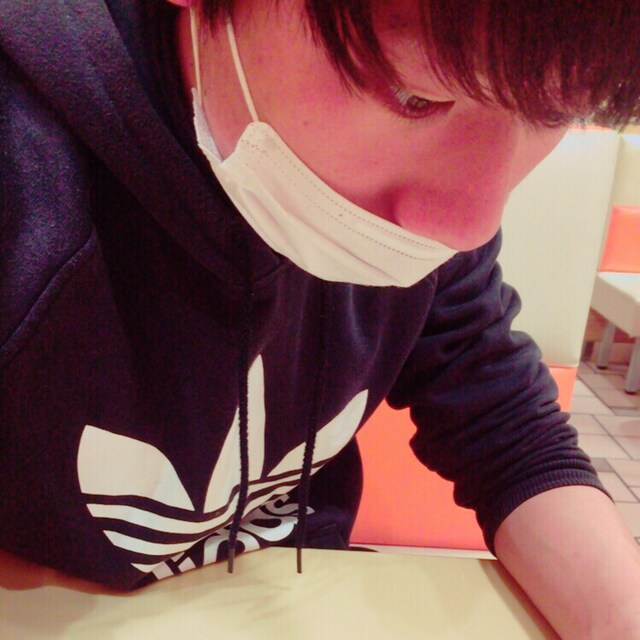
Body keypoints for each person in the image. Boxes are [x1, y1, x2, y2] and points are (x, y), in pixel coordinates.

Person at [1, 0, 639, 636]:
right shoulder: (26, 165)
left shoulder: (438, 202)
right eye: (414, 96)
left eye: (556, 112)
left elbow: (509, 433)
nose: (472, 224)